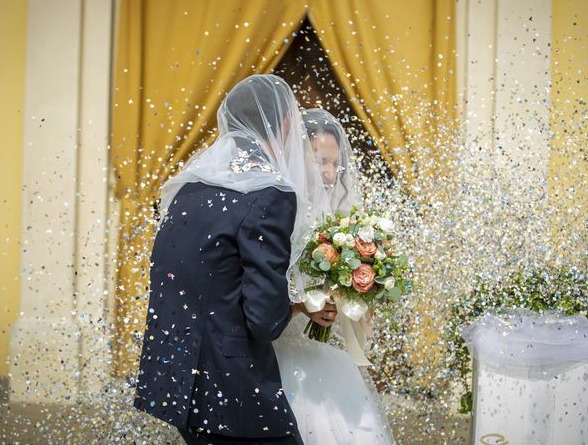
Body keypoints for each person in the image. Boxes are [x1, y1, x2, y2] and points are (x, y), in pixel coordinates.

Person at [132, 75, 328, 445]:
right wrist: (303, 304)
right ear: (284, 123)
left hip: (179, 381)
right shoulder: (269, 192)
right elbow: (264, 320)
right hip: (233, 390)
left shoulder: (189, 186)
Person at [274, 108, 395, 444]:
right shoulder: (279, 212)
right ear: (299, 156)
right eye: (320, 161)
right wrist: (303, 305)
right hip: (282, 348)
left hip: (323, 349)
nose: (329, 173)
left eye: (334, 164)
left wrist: (354, 297)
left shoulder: (338, 219)